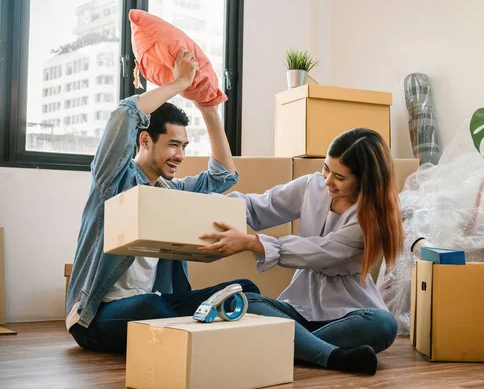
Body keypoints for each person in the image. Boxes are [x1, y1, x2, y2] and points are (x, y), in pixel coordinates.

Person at [66, 49, 259, 353]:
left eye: (183, 146)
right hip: (98, 318)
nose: (180, 156)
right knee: (149, 306)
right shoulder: (112, 180)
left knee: (245, 291)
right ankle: (200, 336)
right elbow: (125, 114)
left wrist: (209, 109)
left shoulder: (171, 192)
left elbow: (224, 177)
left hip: (155, 305)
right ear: (145, 140)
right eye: (172, 145)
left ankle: (192, 333)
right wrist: (181, 82)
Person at [199, 128, 402, 375]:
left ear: (364, 181)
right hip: (298, 308)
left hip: (347, 314)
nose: (327, 180)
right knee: (244, 301)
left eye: (339, 176)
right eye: (326, 168)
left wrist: (253, 242)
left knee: (383, 324)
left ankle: (293, 346)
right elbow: (262, 205)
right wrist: (209, 205)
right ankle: (330, 355)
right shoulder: (312, 186)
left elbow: (319, 252)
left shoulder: (371, 219)